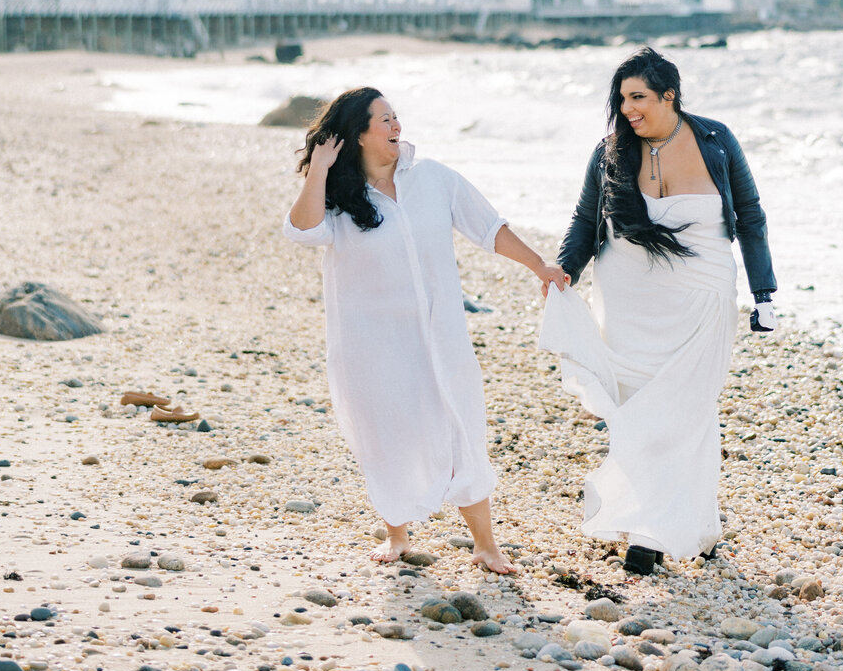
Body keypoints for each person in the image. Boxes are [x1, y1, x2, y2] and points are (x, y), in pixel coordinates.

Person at [283, 85, 567, 571]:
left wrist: (538, 265)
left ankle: (485, 545)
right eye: (385, 120)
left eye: (396, 117)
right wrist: (320, 170)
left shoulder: (433, 179)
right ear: (357, 135)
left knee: (461, 428)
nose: (397, 126)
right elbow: (302, 230)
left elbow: (488, 226)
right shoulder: (337, 197)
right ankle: (397, 536)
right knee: (386, 434)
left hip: (442, 337)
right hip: (372, 345)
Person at [540, 47, 776, 573]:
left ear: (670, 95)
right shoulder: (610, 153)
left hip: (703, 295)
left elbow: (752, 217)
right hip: (629, 298)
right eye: (621, 99)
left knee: (689, 408)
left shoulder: (717, 141)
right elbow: (584, 218)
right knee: (642, 406)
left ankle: (665, 526)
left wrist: (764, 294)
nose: (627, 109)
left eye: (638, 97)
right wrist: (565, 269)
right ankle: (674, 523)